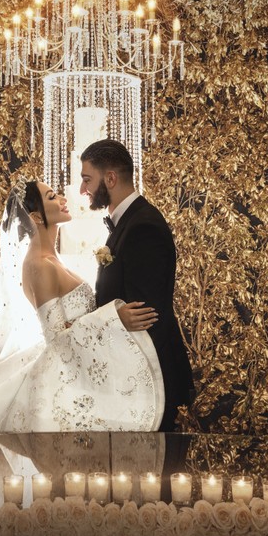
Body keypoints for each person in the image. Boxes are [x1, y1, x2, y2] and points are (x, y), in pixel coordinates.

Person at [0, 177, 165, 437]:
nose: (64, 200)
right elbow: (56, 337)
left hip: (79, 370)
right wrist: (113, 318)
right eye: (53, 197)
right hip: (61, 381)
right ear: (36, 217)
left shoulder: (52, 259)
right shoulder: (39, 265)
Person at [80, 139, 194, 431]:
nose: (83, 190)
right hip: (135, 381)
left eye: (87, 179)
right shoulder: (127, 222)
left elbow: (146, 318)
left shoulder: (143, 226)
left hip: (150, 385)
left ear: (111, 178)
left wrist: (124, 390)